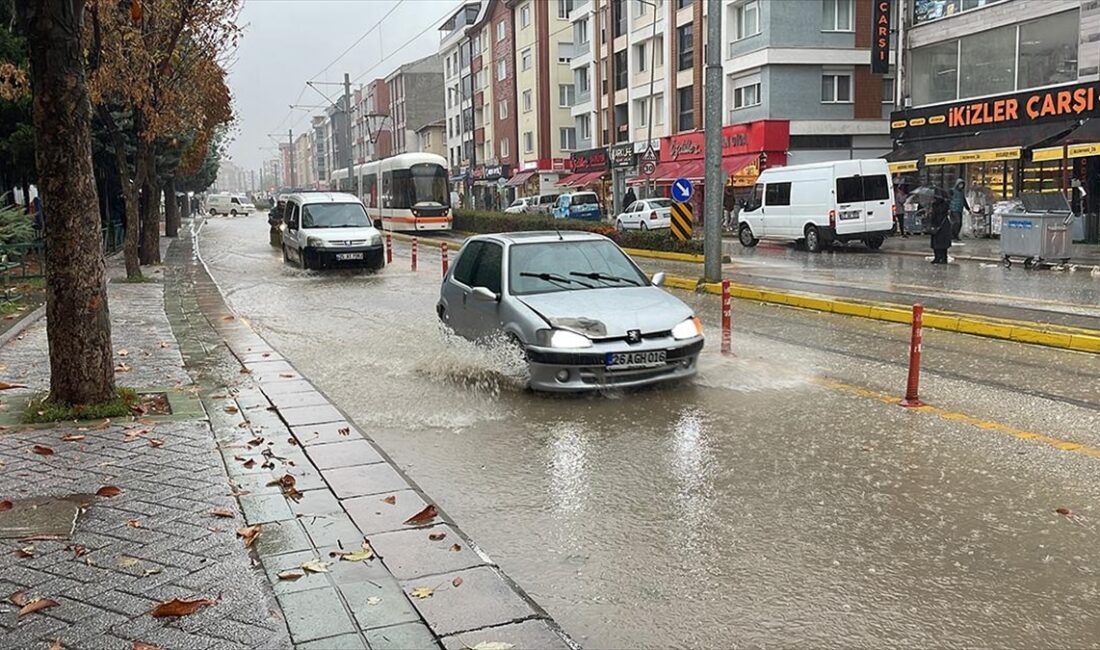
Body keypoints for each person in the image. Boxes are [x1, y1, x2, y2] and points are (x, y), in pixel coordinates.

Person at [930, 189, 951, 264]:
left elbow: (939, 213)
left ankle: (942, 257)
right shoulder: (935, 204)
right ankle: (938, 257)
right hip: (937, 225)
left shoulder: (944, 204)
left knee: (942, 243)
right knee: (937, 243)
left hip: (941, 225)